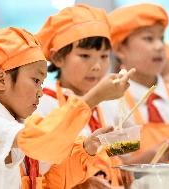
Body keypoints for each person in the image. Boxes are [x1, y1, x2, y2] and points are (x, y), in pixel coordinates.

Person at [0, 27, 134, 189]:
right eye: (35, 81)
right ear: (1, 80)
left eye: (41, 83)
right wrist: (94, 97)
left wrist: (87, 148)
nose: (40, 93)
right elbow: (43, 140)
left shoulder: (18, 126)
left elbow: (53, 181)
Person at [35, 4, 135, 188]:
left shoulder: (112, 106)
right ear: (57, 58)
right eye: (85, 55)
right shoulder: (44, 105)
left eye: (104, 56)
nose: (97, 66)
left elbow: (125, 161)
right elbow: (40, 169)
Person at [106, 3, 169, 165]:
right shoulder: (113, 104)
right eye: (148, 38)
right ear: (121, 50)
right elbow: (115, 168)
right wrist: (150, 157)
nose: (159, 46)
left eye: (161, 38)